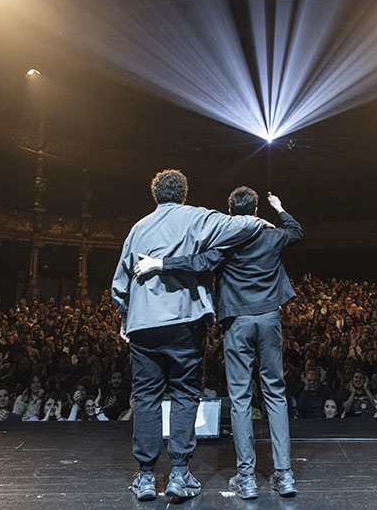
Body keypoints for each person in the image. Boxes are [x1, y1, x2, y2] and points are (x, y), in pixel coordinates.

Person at [136, 188, 302, 499]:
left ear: (230, 215)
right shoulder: (273, 235)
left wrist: (158, 264)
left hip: (237, 323)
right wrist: (278, 209)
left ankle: (247, 479)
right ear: (255, 212)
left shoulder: (226, 242)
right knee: (275, 394)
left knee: (240, 399)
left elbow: (196, 263)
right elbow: (296, 231)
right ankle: (285, 476)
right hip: (268, 321)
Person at [111, 169, 264, 502]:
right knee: (184, 395)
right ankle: (179, 475)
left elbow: (119, 285)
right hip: (185, 322)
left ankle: (147, 477)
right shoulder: (197, 217)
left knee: (147, 397)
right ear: (183, 193)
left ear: (156, 195)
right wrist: (259, 222)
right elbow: (243, 224)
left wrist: (124, 316)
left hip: (144, 325)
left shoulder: (137, 228)